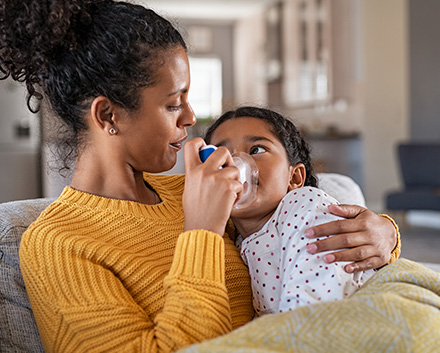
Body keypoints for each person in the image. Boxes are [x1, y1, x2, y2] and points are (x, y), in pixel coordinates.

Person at [0, 0, 400, 352]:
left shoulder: (197, 187)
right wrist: (203, 232)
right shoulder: (59, 244)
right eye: (175, 103)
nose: (191, 119)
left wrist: (383, 234)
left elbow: (298, 222)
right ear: (108, 115)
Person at [204, 106, 376, 316]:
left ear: (294, 177)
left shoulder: (304, 206)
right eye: (222, 156)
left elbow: (314, 309)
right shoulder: (235, 242)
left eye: (257, 150)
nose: (237, 165)